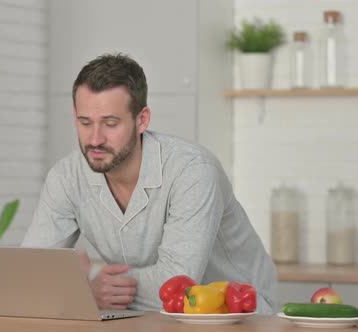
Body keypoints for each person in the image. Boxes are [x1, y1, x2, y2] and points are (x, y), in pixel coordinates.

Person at [21, 53, 277, 314]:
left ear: (142, 120)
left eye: (111, 123)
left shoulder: (193, 171)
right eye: (85, 122)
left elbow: (177, 287)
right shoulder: (65, 177)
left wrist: (87, 283)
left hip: (239, 316)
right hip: (143, 317)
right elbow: (30, 273)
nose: (95, 139)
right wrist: (87, 291)